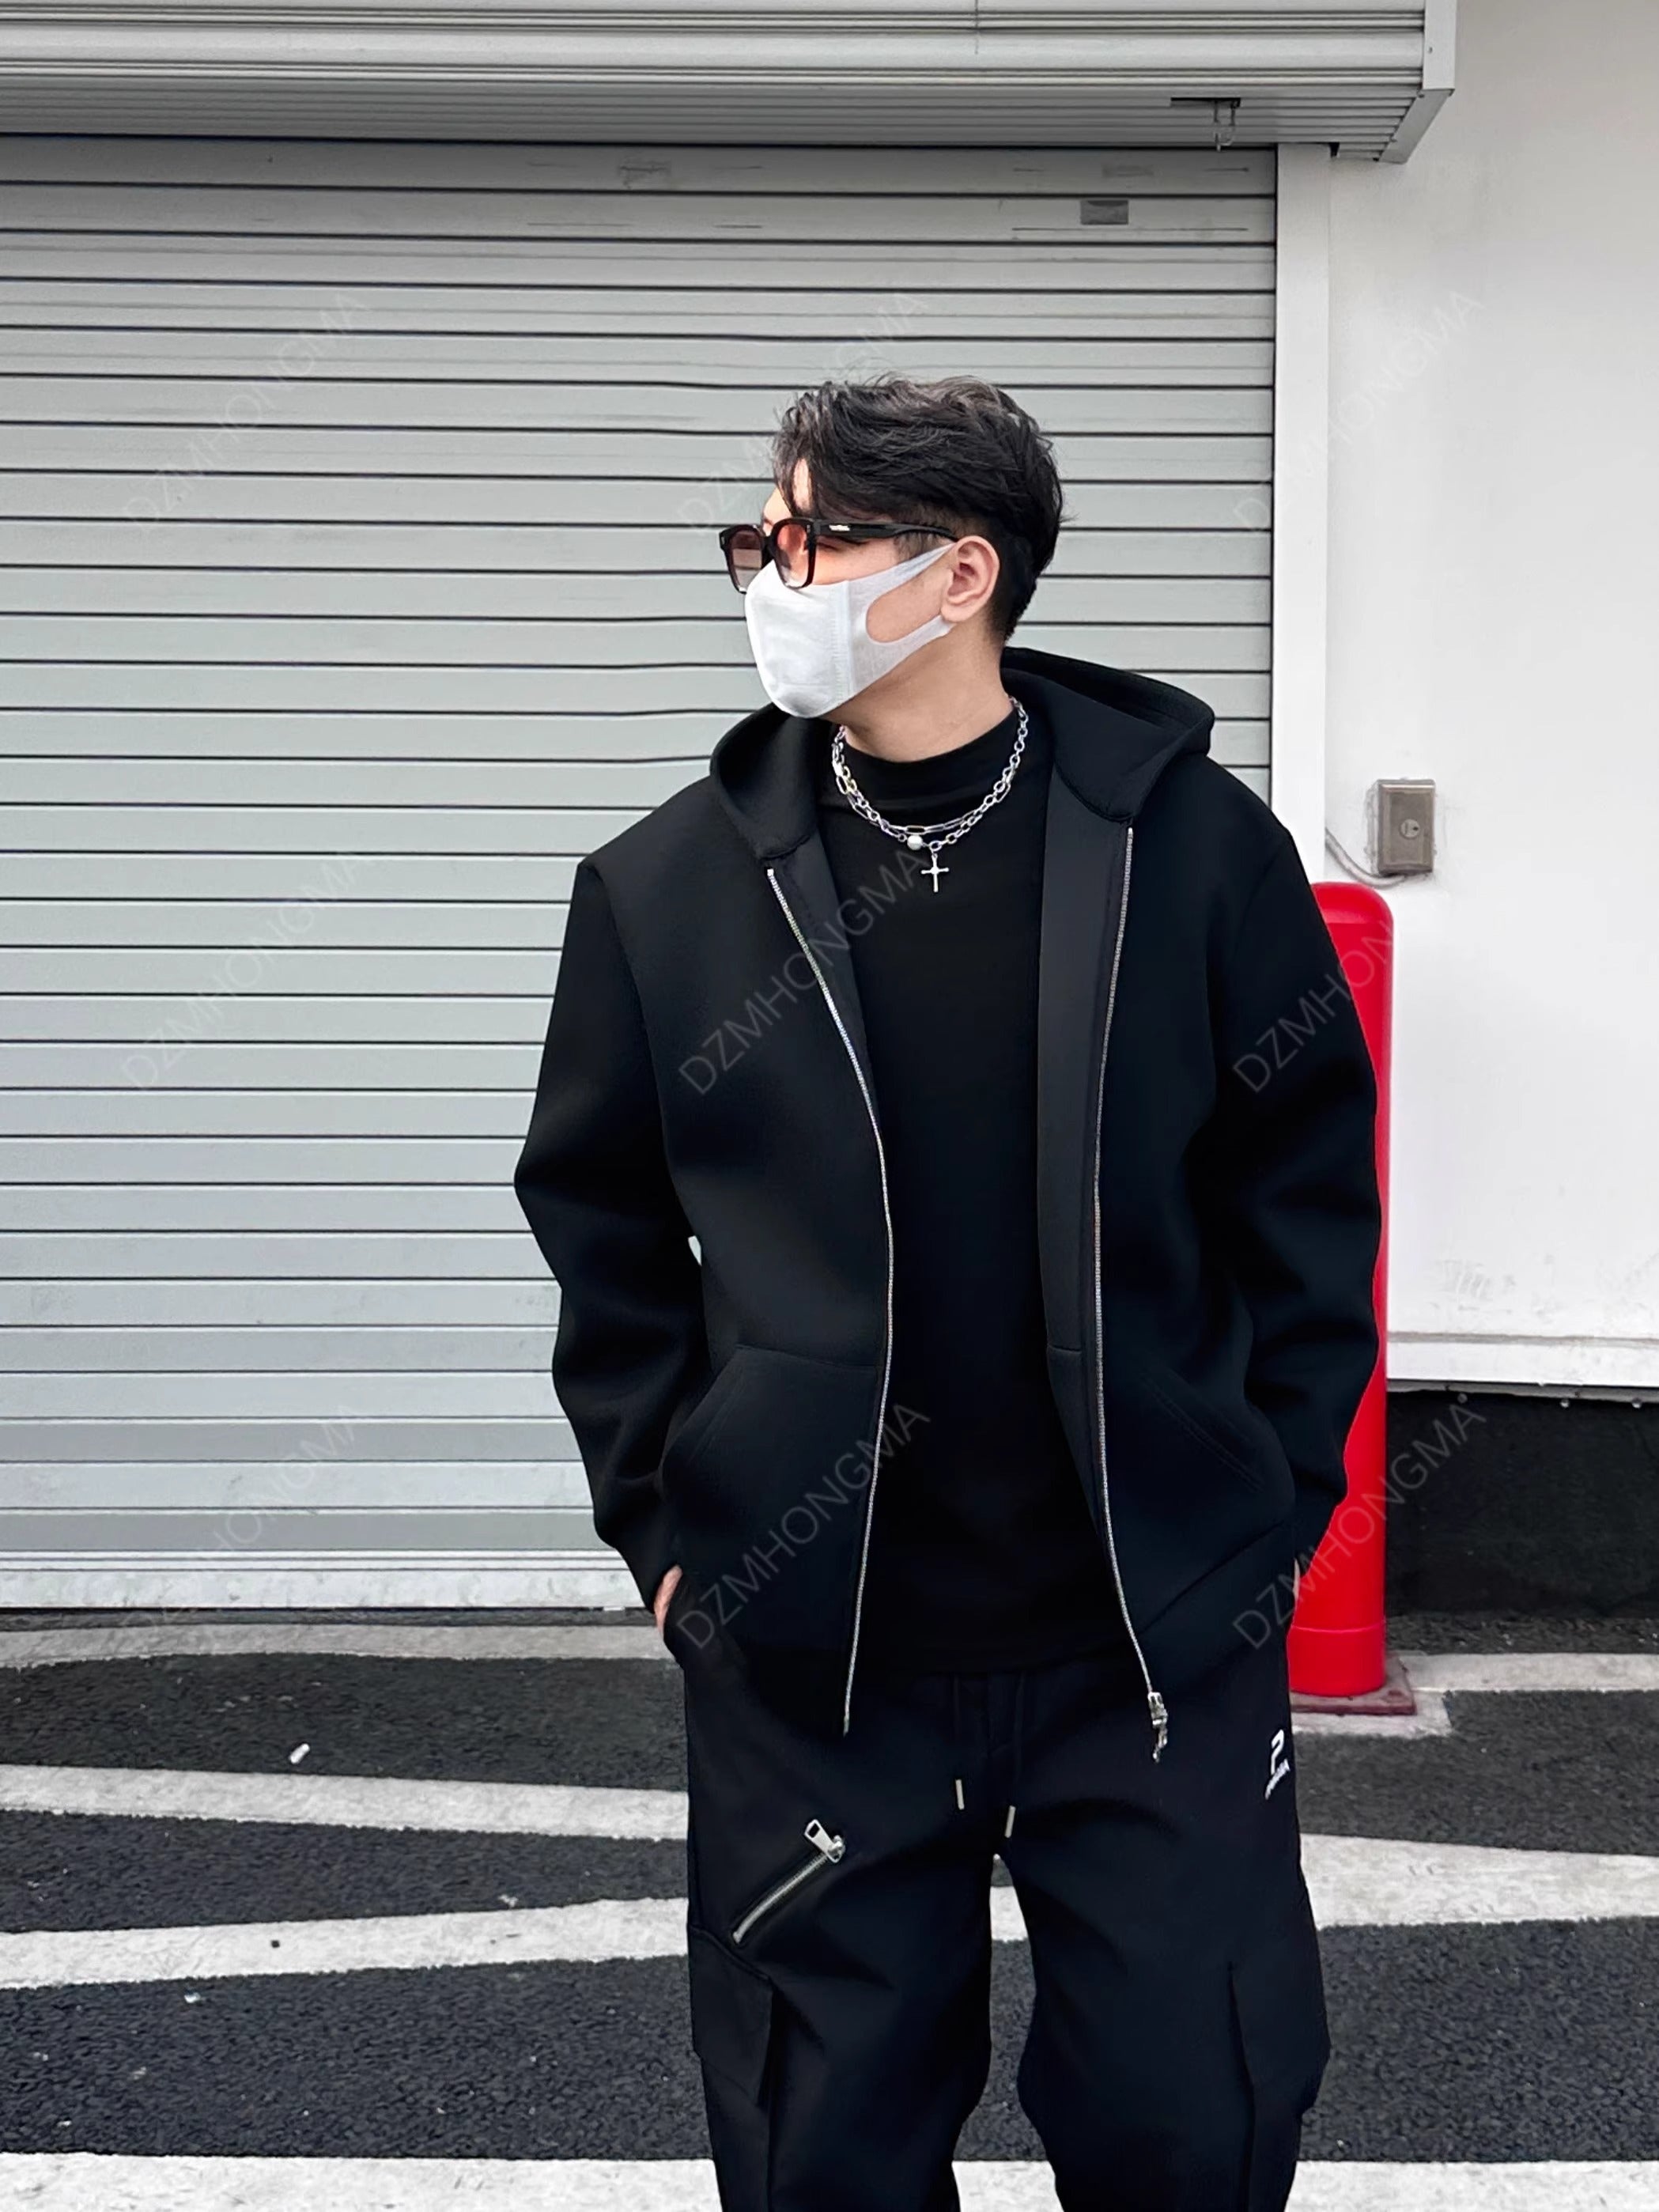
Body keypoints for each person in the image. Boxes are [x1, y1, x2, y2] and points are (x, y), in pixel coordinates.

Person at [513, 372, 1382, 2211]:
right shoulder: (667, 891)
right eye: (758, 540)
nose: (769, 577)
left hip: (1144, 1641)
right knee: (819, 2141)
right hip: (819, 1648)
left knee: (1192, 2117)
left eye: (807, 538)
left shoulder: (1186, 850)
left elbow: (1300, 1200)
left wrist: (1269, 1504)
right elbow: (600, 1221)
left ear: (961, 571)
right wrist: (667, 1528)